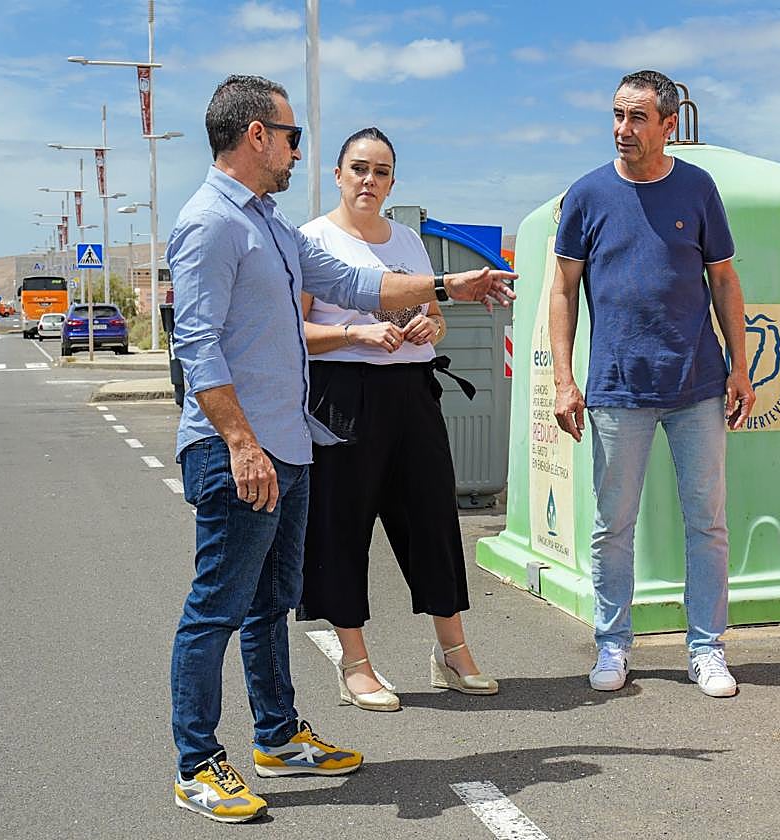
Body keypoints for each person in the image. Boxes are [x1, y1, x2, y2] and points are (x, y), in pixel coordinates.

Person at [167, 75, 514, 824]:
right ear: (256, 136)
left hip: (289, 446)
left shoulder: (269, 223)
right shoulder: (210, 222)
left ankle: (278, 735)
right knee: (215, 610)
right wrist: (239, 442)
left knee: (267, 608)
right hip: (241, 451)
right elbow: (195, 343)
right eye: (291, 136)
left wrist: (452, 284)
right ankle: (196, 763)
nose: (297, 149)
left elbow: (358, 281)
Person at [549, 70, 756, 697]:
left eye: (638, 118)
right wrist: (564, 380)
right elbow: (561, 290)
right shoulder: (585, 196)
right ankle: (612, 646)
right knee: (612, 526)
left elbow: (723, 281)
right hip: (616, 389)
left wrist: (741, 367)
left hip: (697, 384)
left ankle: (707, 648)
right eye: (617, 115)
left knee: (708, 522)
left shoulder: (698, 190)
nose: (623, 130)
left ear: (670, 125)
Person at [296, 127, 498, 713]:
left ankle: (452, 653)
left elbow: (433, 311)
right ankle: (355, 664)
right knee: (344, 529)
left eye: (381, 172)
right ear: (337, 174)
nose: (369, 181)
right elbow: (291, 332)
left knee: (432, 521)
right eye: (359, 169)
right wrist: (353, 332)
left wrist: (431, 327)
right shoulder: (312, 241)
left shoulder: (407, 239)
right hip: (343, 395)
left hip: (413, 391)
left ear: (392, 182)